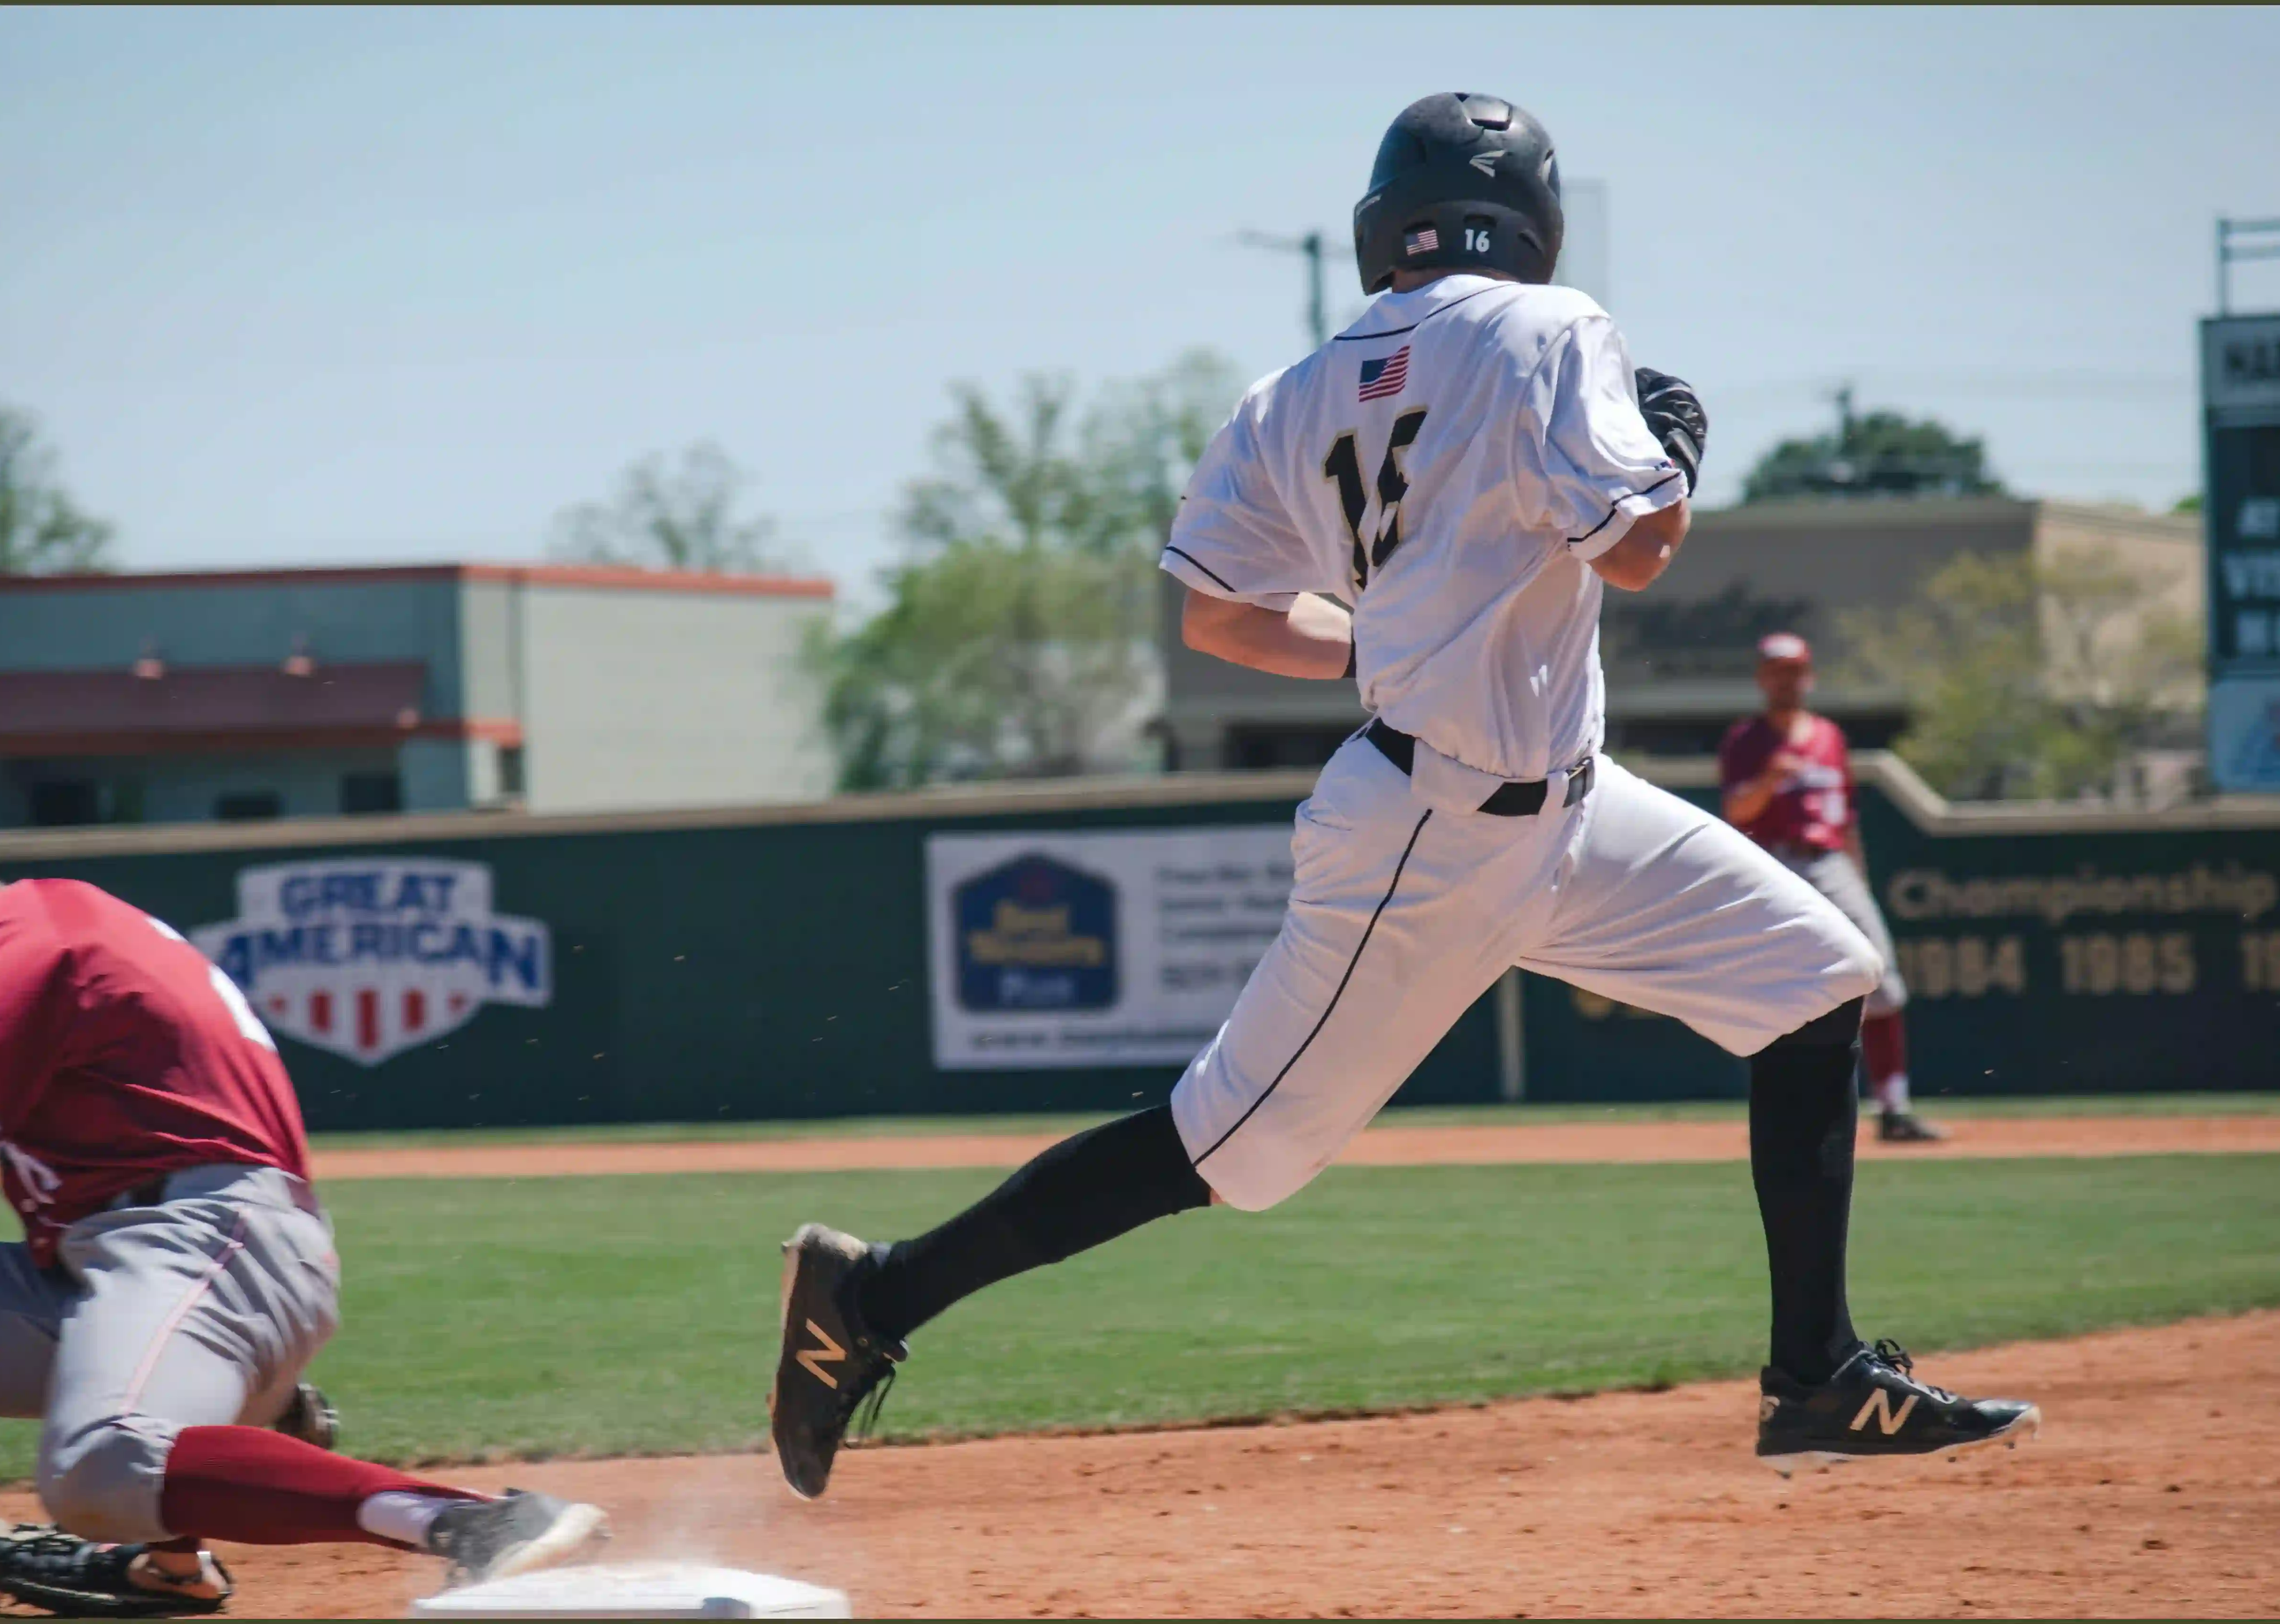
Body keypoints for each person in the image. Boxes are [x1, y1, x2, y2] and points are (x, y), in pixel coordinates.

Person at [768, 91, 2037, 1498]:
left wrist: (1382, 637)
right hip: (1432, 832)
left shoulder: (1293, 391)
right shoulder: (1549, 326)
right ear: (1532, 219)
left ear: (1387, 227)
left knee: (1814, 979)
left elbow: (1220, 617)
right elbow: (1638, 551)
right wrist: (1676, 448)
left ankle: (1816, 1374)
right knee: (1230, 1146)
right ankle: (872, 1294)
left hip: (1568, 806)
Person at [0, 855, 606, 1616]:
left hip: (210, 1242)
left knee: (97, 1465)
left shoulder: (15, 927)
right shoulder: (63, 941)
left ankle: (473, 1522)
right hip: (138, 1263)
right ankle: (172, 1556)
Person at [1719, 633, 1945, 1142]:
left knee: (1877, 974)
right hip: (1772, 863)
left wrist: (1857, 878)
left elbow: (1846, 819)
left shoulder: (1828, 736)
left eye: (1794, 671)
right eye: (1776, 671)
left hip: (1830, 862)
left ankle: (1894, 1108)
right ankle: (1786, 1109)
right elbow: (1735, 812)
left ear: (1808, 676)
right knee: (1776, 988)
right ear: (1761, 679)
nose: (1786, 680)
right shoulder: (1745, 739)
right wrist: (1769, 778)